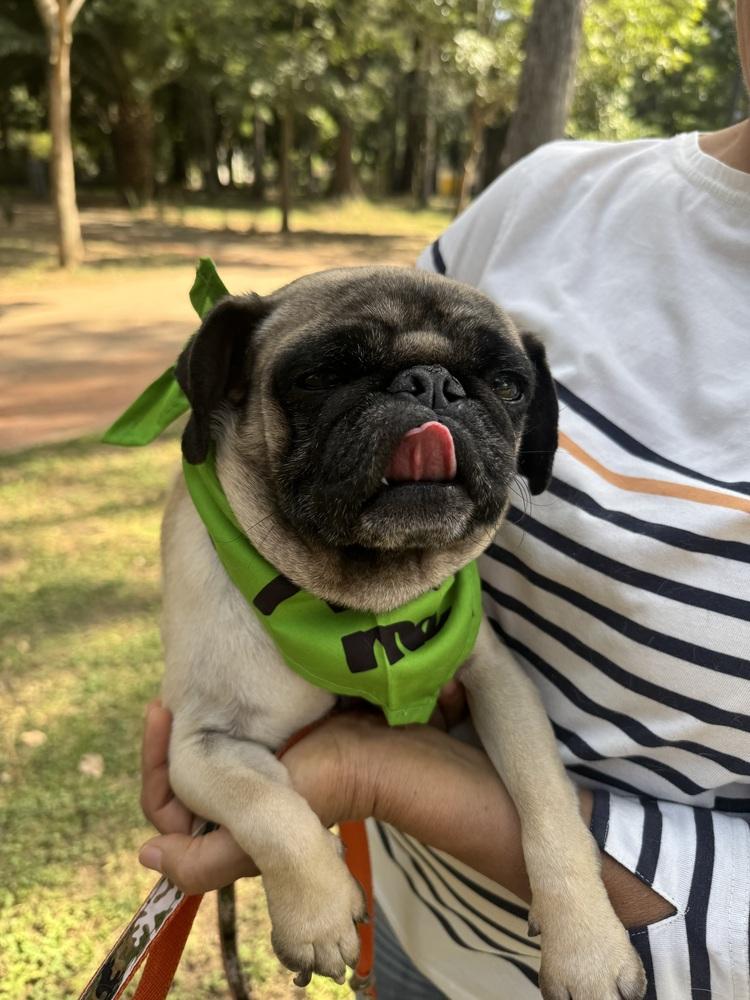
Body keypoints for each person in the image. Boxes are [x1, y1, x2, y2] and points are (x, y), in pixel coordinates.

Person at [138, 6, 750, 997]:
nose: (425, 407)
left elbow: (485, 669)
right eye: (333, 379)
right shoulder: (547, 194)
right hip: (412, 924)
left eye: (484, 387)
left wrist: (376, 774)